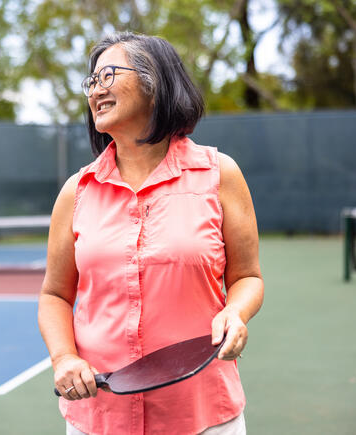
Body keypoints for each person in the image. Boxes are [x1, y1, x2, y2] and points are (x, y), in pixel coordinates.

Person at [38, 32, 264, 435]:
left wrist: (236, 311)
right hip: (99, 419)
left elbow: (247, 277)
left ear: (154, 81)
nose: (95, 90)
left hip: (203, 415)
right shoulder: (76, 192)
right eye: (91, 81)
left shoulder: (220, 174)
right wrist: (63, 358)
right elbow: (55, 295)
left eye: (107, 75)